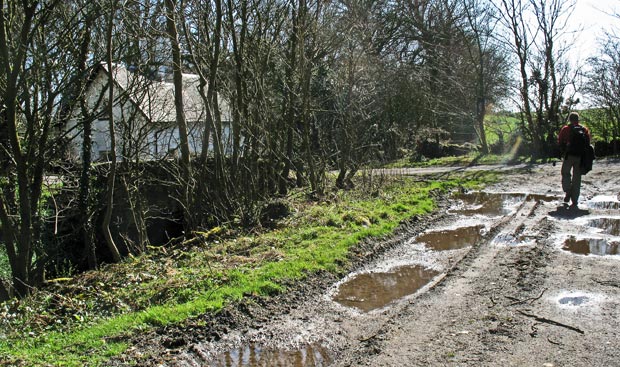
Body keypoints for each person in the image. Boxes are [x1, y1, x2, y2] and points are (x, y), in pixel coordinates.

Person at [558, 112, 591, 209]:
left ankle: (568, 190)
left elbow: (560, 141)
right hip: (580, 157)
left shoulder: (565, 129)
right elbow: (588, 144)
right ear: (578, 119)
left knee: (565, 173)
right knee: (577, 178)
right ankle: (575, 200)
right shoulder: (584, 129)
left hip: (568, 156)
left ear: (569, 119)